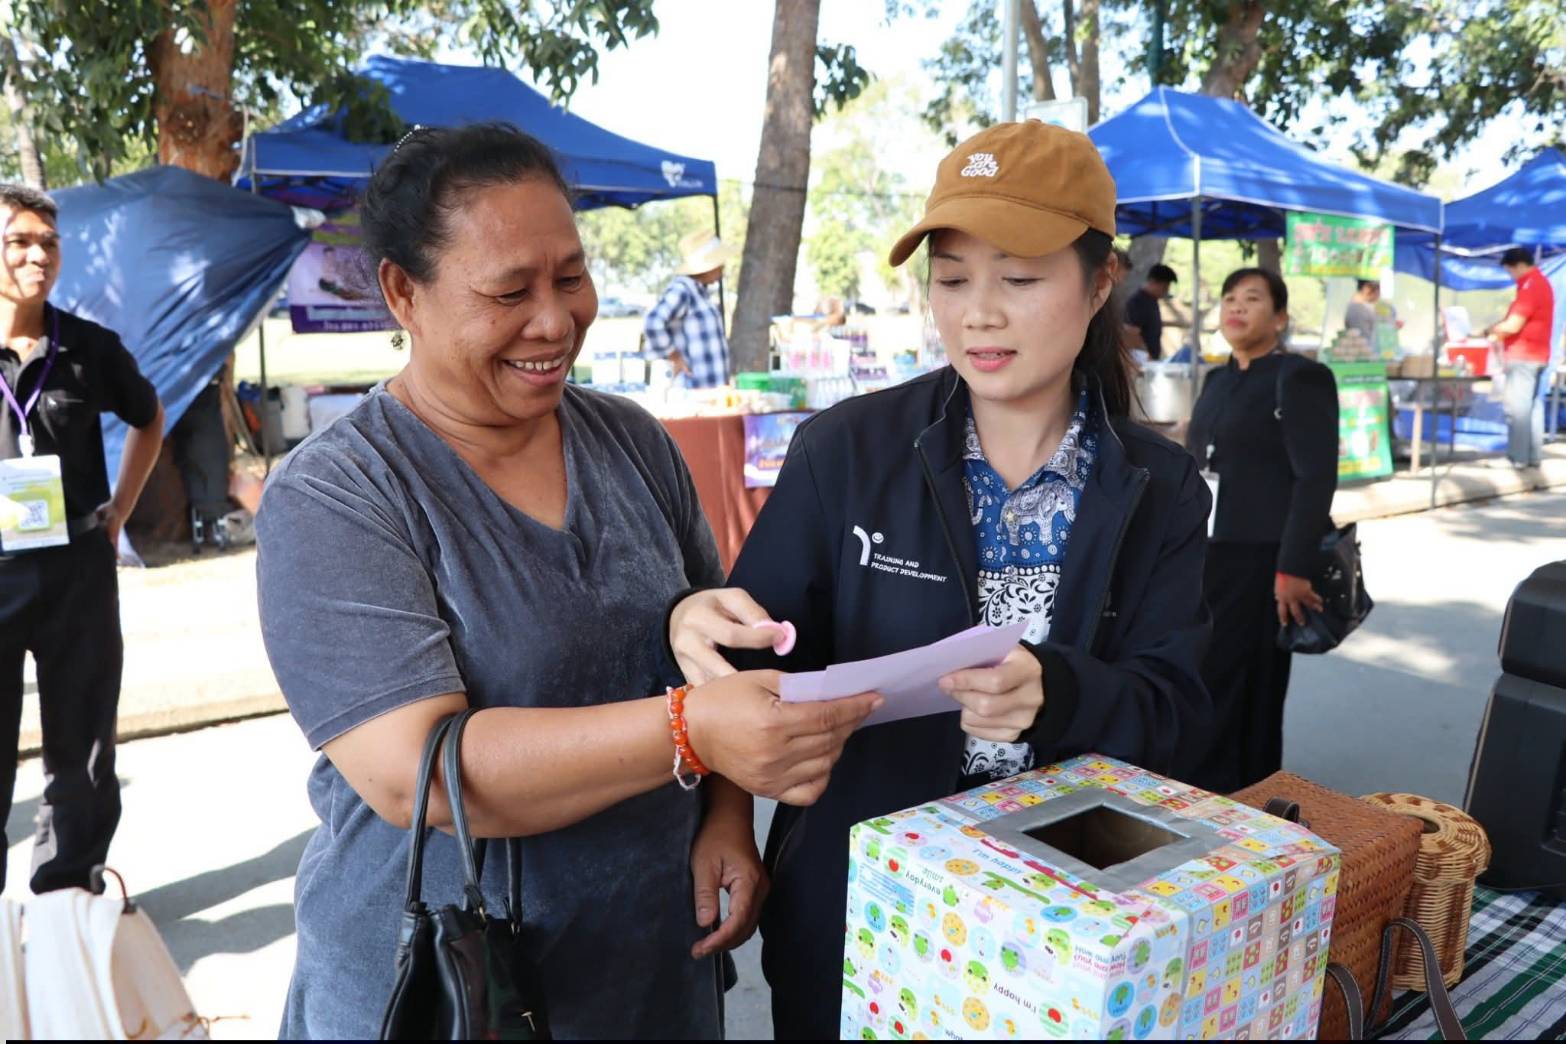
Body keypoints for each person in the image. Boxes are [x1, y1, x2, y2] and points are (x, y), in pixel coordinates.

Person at [254, 124, 878, 1039]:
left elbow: (722, 660)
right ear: (403, 294)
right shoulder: (339, 495)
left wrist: (727, 816)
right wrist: (690, 731)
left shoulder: (630, 441)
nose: (554, 322)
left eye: (570, 278)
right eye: (509, 292)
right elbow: (412, 774)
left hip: (652, 970)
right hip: (449, 992)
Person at [666, 121, 1215, 1039]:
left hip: (1064, 932)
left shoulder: (1158, 491)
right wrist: (726, 811)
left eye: (1021, 278)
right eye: (952, 279)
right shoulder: (845, 452)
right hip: (857, 910)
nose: (978, 314)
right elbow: (745, 663)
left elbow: (1183, 714)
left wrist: (1060, 692)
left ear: (1098, 285)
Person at [0, 183, 164, 893]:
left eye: (48, 243)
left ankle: (66, 890)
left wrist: (119, 510)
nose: (36, 255)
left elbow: (148, 418)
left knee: (84, 748)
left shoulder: (88, 348)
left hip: (76, 566)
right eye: (18, 241)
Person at [1185, 267, 1339, 793]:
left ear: (1279, 317)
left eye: (1252, 299)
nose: (1237, 307)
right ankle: (1215, 785)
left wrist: (1292, 567)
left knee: (1252, 680)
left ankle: (1246, 789)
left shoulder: (1298, 377)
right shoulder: (1217, 378)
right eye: (1229, 298)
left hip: (1264, 556)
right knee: (1207, 672)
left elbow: (1315, 476)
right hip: (1210, 550)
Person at [1485, 247, 1556, 467]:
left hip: (1523, 355)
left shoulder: (1530, 286)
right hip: (1538, 354)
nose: (1511, 276)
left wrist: (1491, 331)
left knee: (1517, 409)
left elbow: (1514, 325)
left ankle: (1517, 457)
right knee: (1532, 408)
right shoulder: (1541, 283)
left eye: (1510, 271)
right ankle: (1532, 456)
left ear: (1519, 266)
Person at [642, 229, 736, 388]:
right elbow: (653, 322)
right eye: (719, 263)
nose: (723, 267)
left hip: (712, 388)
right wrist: (674, 356)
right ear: (707, 266)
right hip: (693, 388)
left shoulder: (700, 292)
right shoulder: (683, 289)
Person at [1124, 262, 1177, 358]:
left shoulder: (1152, 301)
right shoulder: (1138, 301)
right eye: (1164, 287)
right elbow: (1131, 332)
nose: (1166, 291)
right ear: (1153, 282)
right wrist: (1147, 356)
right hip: (1141, 358)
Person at [1343, 279, 1399, 346]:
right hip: (1366, 351)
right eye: (1378, 287)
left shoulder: (1366, 306)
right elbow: (1365, 340)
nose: (1379, 292)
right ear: (1368, 287)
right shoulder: (1357, 309)